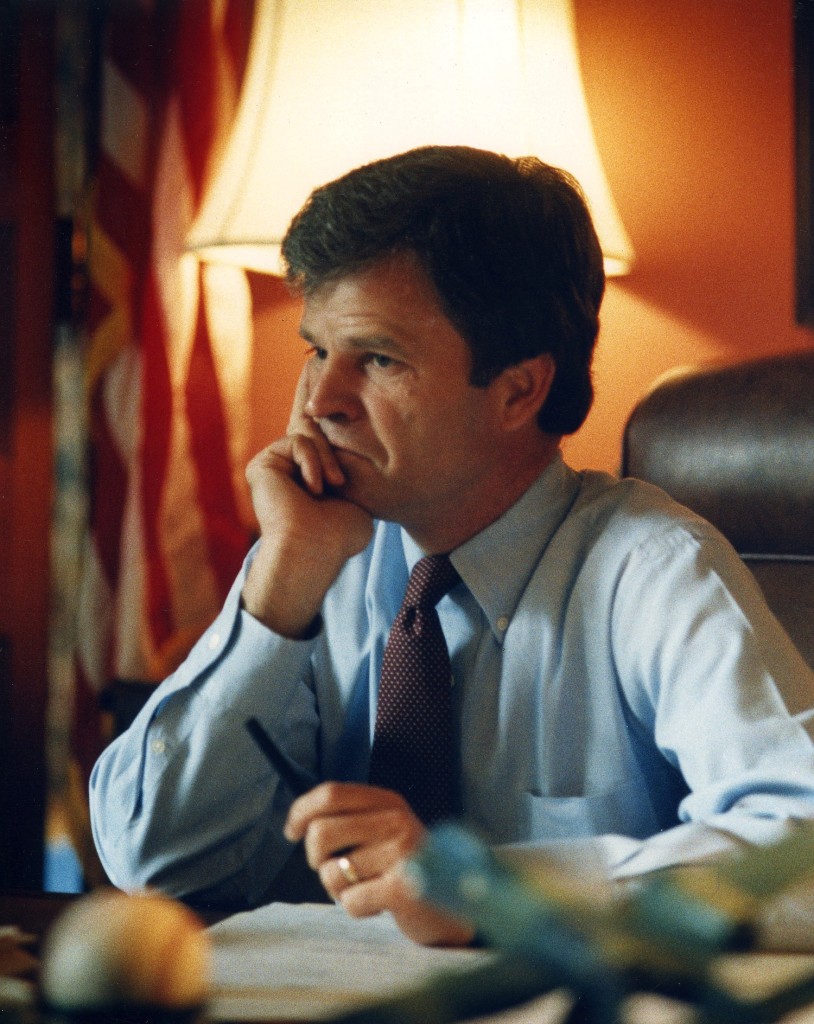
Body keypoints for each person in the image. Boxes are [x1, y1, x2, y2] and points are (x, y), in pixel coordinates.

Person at [90, 145, 814, 946]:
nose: (323, 401)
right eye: (317, 351)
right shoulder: (315, 560)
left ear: (518, 389)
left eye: (379, 359)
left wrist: (496, 888)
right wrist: (278, 589)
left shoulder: (653, 568)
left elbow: (805, 849)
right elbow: (150, 859)